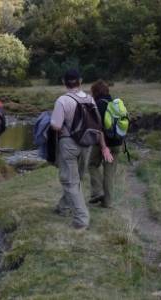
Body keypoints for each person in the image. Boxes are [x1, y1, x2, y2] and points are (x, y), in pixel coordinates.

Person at [51, 69, 113, 230]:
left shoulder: (62, 101)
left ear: (64, 82)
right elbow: (98, 125)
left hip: (68, 144)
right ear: (80, 81)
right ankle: (63, 207)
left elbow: (56, 125)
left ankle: (81, 219)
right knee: (75, 178)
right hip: (86, 144)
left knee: (70, 181)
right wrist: (103, 146)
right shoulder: (90, 99)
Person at [88, 80, 121, 208]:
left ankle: (97, 192)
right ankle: (107, 202)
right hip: (117, 143)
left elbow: (96, 128)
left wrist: (103, 147)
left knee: (92, 164)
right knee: (109, 173)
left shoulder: (97, 105)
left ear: (95, 92)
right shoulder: (115, 103)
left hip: (102, 143)